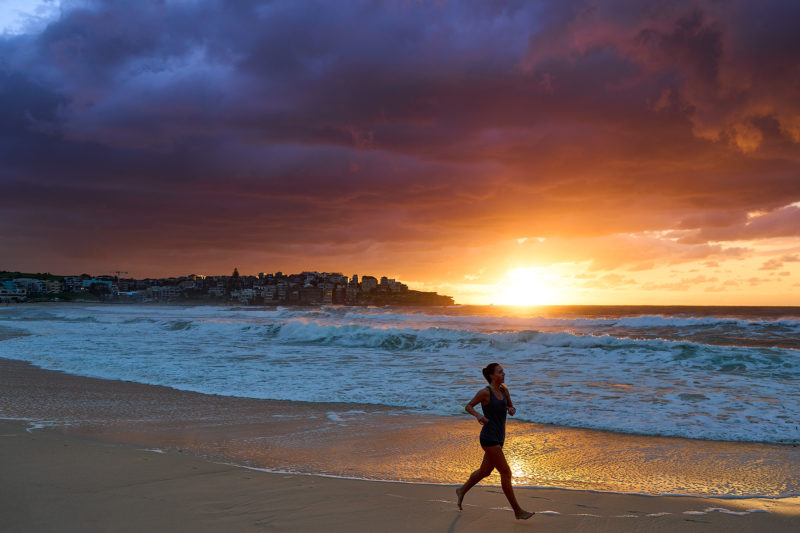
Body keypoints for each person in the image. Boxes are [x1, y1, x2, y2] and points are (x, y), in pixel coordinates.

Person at [456, 362, 534, 520]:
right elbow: (468, 406)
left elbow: (511, 408)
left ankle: (462, 490)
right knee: (506, 472)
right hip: (488, 437)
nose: (503, 374)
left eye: (503, 371)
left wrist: (511, 410)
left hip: (500, 437)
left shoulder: (505, 390)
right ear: (492, 375)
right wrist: (479, 416)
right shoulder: (485, 393)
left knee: (485, 471)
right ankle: (517, 511)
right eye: (500, 372)